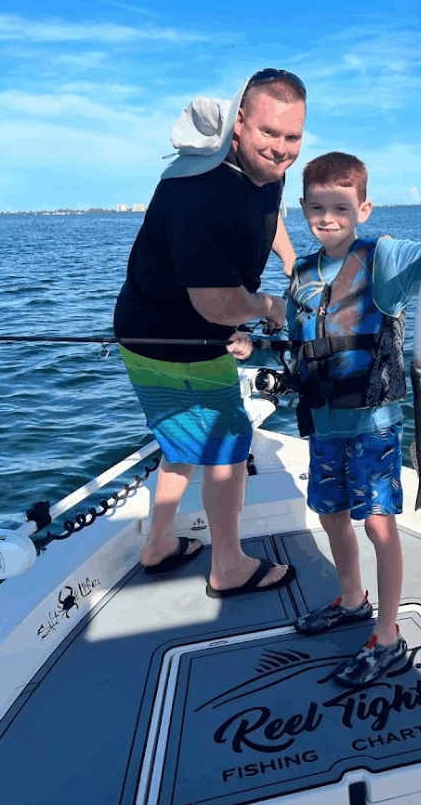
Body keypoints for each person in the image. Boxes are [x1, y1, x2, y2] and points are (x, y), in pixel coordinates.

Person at [228, 151, 421, 685]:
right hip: (321, 422)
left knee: (379, 525)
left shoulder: (383, 260)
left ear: (364, 207)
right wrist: (255, 352)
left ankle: (387, 635)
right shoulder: (304, 273)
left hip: (374, 425)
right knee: (333, 515)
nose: (328, 217)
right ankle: (353, 599)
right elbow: (294, 345)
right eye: (317, 207)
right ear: (303, 208)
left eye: (341, 206)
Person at [113, 68, 306, 597]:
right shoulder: (206, 193)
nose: (281, 150)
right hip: (182, 339)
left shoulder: (267, 170)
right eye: (269, 133)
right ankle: (228, 566)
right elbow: (218, 305)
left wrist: (290, 262)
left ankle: (157, 545)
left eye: (293, 137)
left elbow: (271, 207)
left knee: (179, 443)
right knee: (228, 442)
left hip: (140, 333)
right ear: (239, 123)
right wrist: (275, 306)